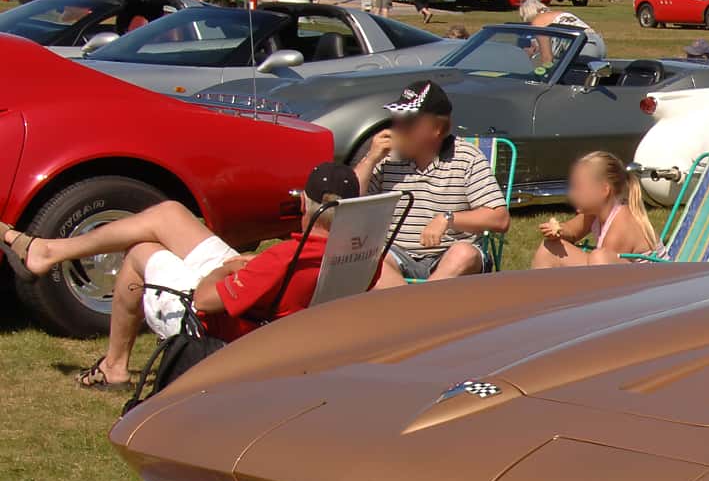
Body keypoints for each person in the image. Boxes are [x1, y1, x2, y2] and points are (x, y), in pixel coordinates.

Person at [1, 163, 361, 391]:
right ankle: (49, 251)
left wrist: (227, 270)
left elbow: (205, 300)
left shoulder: (284, 257)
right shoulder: (358, 252)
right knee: (169, 214)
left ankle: (114, 367)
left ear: (304, 205)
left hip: (221, 326)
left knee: (141, 251)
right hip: (271, 304)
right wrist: (249, 268)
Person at [352, 80, 509, 286]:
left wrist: (447, 219)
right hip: (397, 254)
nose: (397, 128)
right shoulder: (387, 158)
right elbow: (350, 205)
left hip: (449, 254)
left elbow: (499, 219)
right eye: (396, 119)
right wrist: (370, 159)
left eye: (408, 121)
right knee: (368, 259)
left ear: (437, 128)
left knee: (463, 253)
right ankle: (420, 308)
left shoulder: (466, 157)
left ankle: (415, 306)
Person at [531, 151, 662, 268]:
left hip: (655, 288)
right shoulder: (597, 212)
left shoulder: (622, 224)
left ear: (604, 190)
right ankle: (538, 294)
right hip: (624, 280)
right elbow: (572, 231)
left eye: (579, 188)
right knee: (549, 248)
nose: (572, 194)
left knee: (599, 258)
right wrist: (558, 231)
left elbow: (601, 273)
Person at [516, 0, 606, 61]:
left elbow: (546, 55)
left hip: (583, 47)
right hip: (598, 42)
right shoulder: (557, 15)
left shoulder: (538, 21)